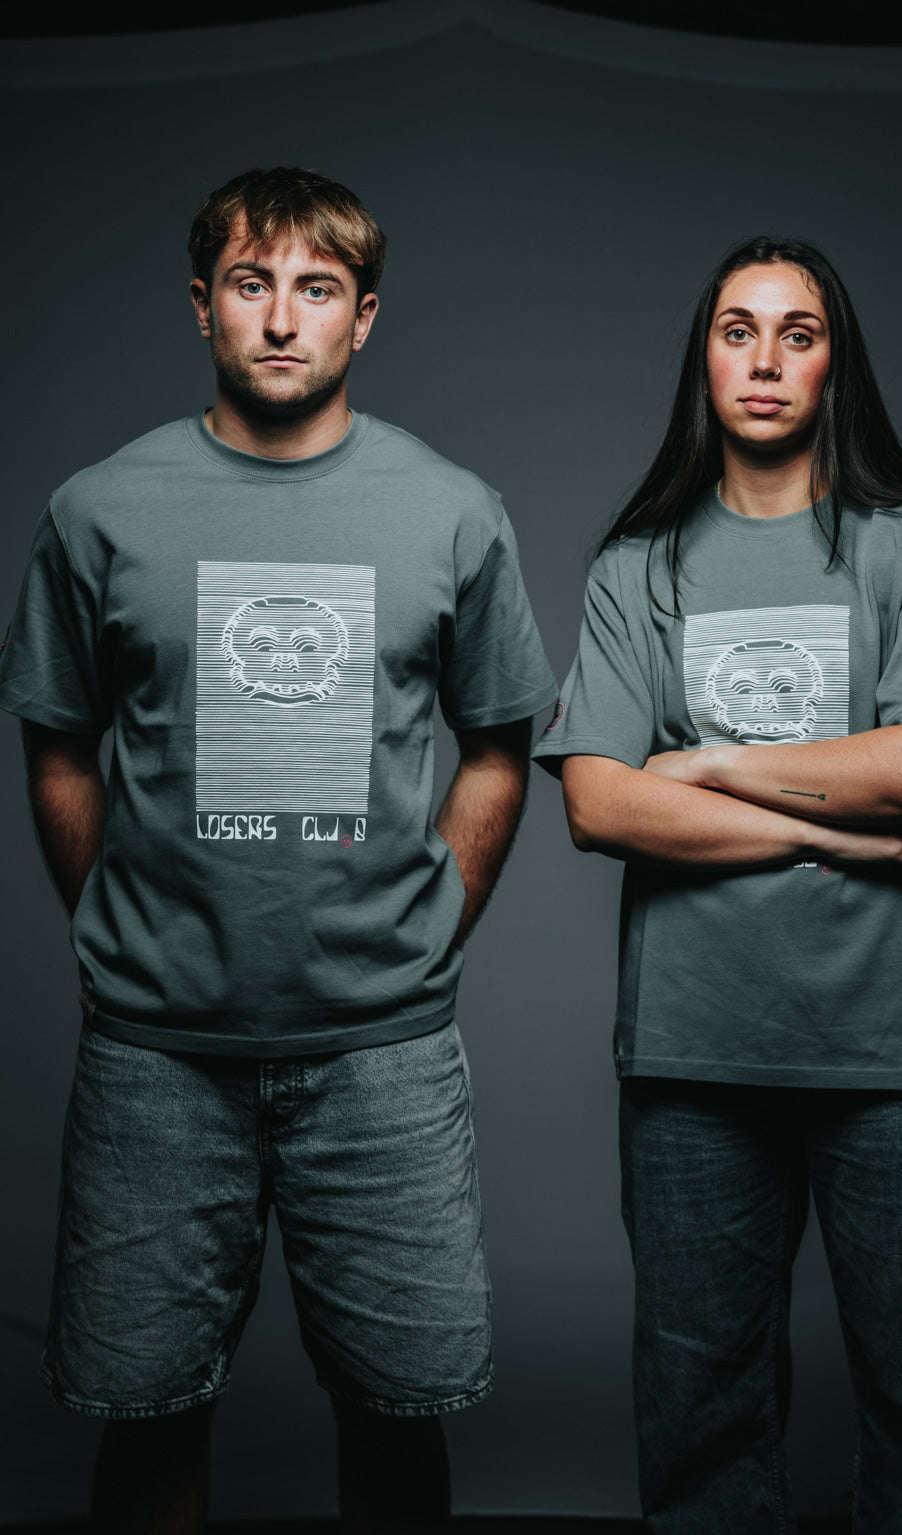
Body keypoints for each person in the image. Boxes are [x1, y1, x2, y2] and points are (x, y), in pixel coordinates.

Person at [0, 165, 556, 1534]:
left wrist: (433, 924)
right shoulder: (99, 510)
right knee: (144, 1419)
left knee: (398, 1415)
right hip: (155, 1057)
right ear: (203, 306)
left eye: (318, 290)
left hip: (383, 1054)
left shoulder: (451, 509)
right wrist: (114, 925)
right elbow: (58, 741)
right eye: (252, 286)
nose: (282, 320)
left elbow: (500, 745)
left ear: (364, 317)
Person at [534, 236, 902, 1534]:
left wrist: (720, 766)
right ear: (705, 356)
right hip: (698, 1060)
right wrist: (841, 829)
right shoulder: (639, 562)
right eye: (738, 328)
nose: (765, 358)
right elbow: (598, 801)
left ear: (833, 360)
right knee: (701, 1435)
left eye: (797, 331)